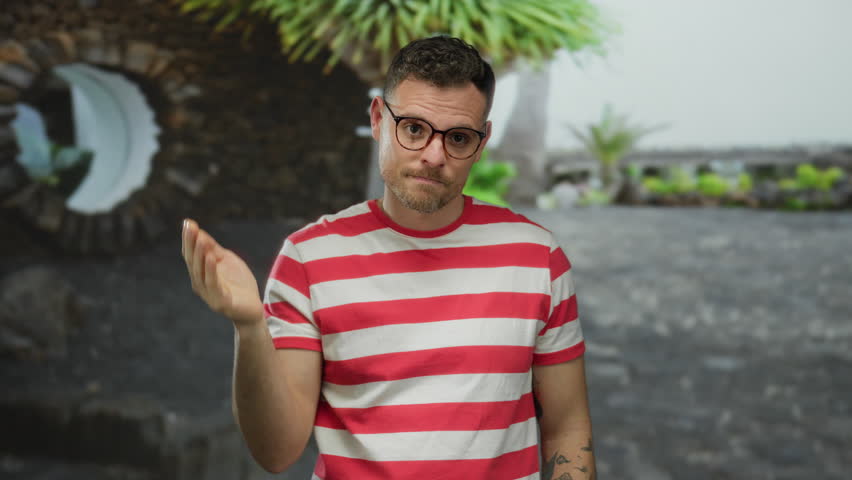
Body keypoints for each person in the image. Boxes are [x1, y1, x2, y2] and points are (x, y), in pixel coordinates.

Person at [181, 36, 594, 480]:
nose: (433, 156)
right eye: (414, 129)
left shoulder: (536, 256)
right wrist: (249, 327)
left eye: (458, 138)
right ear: (378, 118)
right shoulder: (308, 258)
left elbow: (568, 427)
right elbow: (277, 452)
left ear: (481, 142)